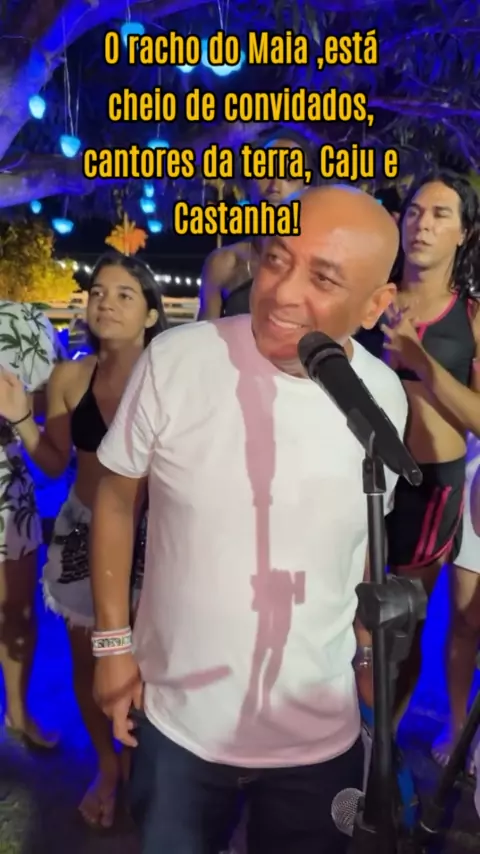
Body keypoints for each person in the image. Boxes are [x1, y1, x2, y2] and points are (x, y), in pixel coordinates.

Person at [90, 185, 409, 854]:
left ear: (376, 304)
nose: (282, 292)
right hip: (179, 723)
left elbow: (359, 543)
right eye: (276, 259)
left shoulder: (382, 397)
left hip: (318, 737)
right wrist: (113, 648)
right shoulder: (177, 360)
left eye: (323, 278)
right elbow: (116, 501)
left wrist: (364, 652)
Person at [0, 251, 167, 828]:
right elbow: (52, 463)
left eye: (124, 294)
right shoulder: (71, 377)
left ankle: (147, 766)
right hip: (83, 531)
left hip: (159, 536)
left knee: (152, 661)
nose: (106, 303)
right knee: (89, 658)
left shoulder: (172, 374)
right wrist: (21, 417)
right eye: (97, 292)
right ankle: (108, 765)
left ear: (151, 314)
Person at [378, 172, 480, 752]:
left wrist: (421, 362)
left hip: (428, 490)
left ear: (464, 233)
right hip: (352, 483)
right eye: (415, 211)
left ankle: (383, 745)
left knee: (401, 625)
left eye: (441, 214)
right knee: (341, 615)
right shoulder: (368, 297)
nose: (422, 224)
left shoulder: (471, 316)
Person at [0, 301, 61, 748]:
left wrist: (17, 406)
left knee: (16, 612)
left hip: (6, 488)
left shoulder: (25, 321)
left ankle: (19, 714)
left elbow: (53, 397)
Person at [198, 128, 313, 320]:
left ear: (305, 188)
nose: (274, 186)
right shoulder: (224, 263)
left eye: (288, 176)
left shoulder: (320, 262)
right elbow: (203, 335)